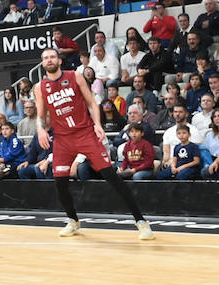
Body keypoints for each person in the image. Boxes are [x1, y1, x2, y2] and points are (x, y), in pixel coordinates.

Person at [33, 48, 153, 240]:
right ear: (42, 62)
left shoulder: (75, 76)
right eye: (45, 58)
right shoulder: (40, 87)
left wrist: (97, 124)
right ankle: (73, 220)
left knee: (111, 176)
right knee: (60, 183)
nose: (49, 60)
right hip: (62, 139)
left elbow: (92, 103)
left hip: (85, 133)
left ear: (59, 60)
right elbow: (41, 115)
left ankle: (141, 221)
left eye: (52, 57)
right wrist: (40, 129)